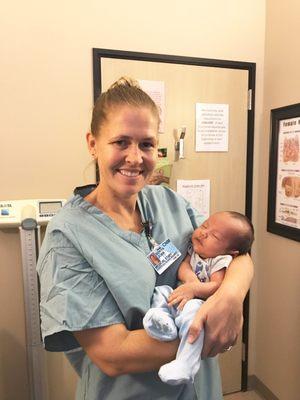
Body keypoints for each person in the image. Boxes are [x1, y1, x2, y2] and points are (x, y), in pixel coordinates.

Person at [37, 77, 254, 400]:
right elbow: (114, 354)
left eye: (147, 144)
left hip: (200, 390)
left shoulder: (168, 202)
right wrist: (207, 330)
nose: (136, 158)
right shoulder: (68, 237)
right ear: (93, 143)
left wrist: (231, 299)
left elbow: (237, 255)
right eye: (121, 142)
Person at [143, 211, 254, 385]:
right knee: (161, 291)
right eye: (204, 226)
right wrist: (190, 280)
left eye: (214, 236)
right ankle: (163, 322)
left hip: (197, 302)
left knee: (192, 313)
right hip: (182, 294)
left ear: (231, 252)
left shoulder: (218, 260)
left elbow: (216, 286)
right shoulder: (194, 251)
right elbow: (184, 265)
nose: (203, 233)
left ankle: (185, 363)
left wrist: (194, 288)